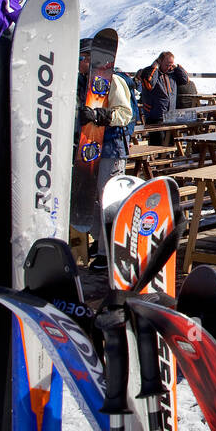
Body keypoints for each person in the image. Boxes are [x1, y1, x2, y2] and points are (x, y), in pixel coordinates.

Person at [77, 36, 134, 270]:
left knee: (107, 198)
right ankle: (99, 241)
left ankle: (109, 250)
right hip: (88, 147)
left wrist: (102, 116)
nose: (78, 62)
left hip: (110, 145)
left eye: (81, 58)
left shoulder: (112, 81)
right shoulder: (81, 82)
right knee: (89, 197)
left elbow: (125, 113)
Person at [137, 51, 188, 147]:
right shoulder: (150, 72)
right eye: (166, 64)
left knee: (170, 144)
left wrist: (177, 67)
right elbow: (148, 83)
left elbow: (185, 79)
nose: (169, 67)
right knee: (157, 145)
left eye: (171, 64)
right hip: (155, 116)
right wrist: (154, 67)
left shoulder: (172, 73)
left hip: (170, 115)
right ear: (159, 61)